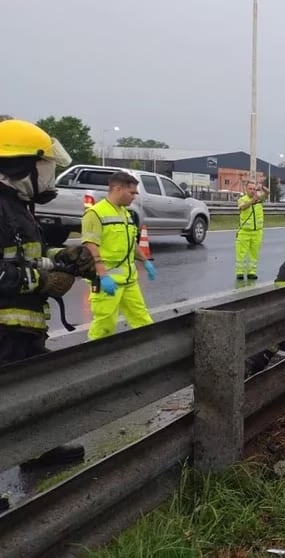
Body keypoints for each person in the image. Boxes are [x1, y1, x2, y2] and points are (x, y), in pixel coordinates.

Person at [0, 118, 97, 468]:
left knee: (37, 389)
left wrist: (65, 258)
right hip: (4, 331)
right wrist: (41, 282)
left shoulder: (17, 206)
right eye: (46, 166)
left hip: (21, 328)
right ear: (23, 165)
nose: (50, 175)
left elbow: (25, 256)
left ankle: (38, 450)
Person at [81, 171, 157, 341]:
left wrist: (145, 262)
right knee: (104, 326)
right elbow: (90, 246)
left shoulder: (125, 213)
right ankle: (93, 358)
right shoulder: (96, 213)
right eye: (132, 192)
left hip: (129, 281)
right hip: (107, 281)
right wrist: (102, 275)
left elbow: (131, 242)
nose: (134, 197)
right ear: (117, 188)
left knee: (143, 321)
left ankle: (151, 352)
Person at [235, 181, 268, 280]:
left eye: (254, 189)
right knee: (241, 253)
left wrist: (263, 189)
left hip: (257, 232)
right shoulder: (242, 199)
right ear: (246, 189)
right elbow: (243, 207)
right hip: (244, 231)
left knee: (254, 253)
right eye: (250, 189)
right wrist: (252, 200)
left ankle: (251, 272)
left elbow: (267, 194)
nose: (253, 191)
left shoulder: (259, 199)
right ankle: (240, 272)